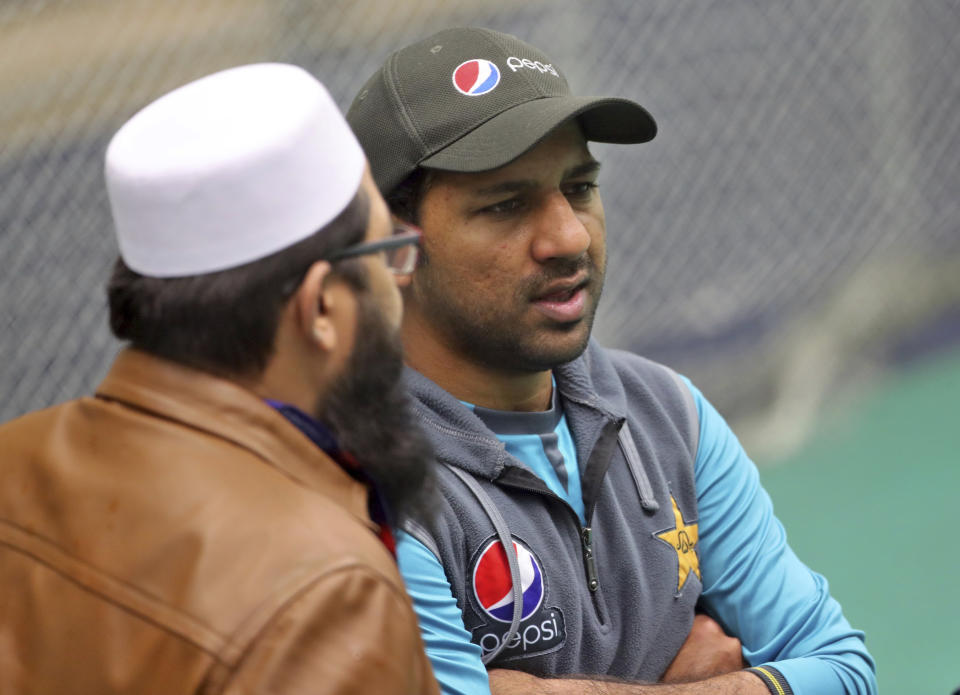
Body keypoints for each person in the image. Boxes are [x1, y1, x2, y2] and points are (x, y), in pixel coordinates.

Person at [346, 27, 877, 695]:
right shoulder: (364, 478)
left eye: (580, 186)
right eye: (505, 205)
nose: (568, 235)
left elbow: (844, 668)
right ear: (393, 247)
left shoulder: (668, 412)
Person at [0, 63, 438, 694]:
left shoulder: (14, 456)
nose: (397, 288)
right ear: (320, 307)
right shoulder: (324, 597)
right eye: (386, 251)